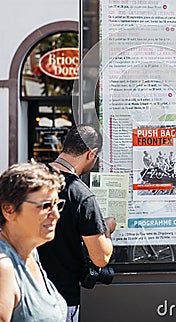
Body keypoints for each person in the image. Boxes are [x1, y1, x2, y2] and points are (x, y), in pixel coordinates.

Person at [38, 124, 116, 322]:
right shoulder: (80, 195)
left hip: (26, 294)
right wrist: (106, 228)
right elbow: (100, 257)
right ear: (92, 154)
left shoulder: (30, 181)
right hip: (62, 299)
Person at [0, 160, 67, 321]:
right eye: (45, 206)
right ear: (9, 210)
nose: (55, 215)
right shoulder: (4, 266)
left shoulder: (31, 252)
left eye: (57, 205)